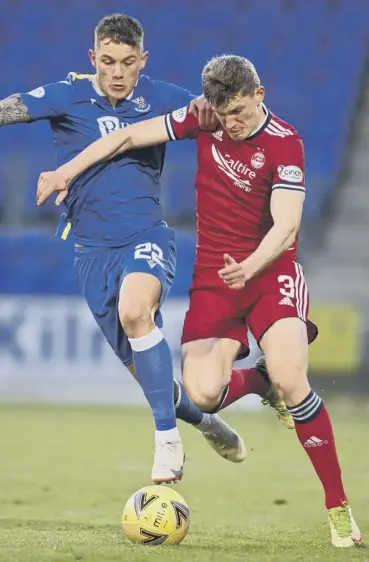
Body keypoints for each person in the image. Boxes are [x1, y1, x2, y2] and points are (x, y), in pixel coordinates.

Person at [37, 54, 362, 548]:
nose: (231, 123)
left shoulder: (284, 142)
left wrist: (251, 267)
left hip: (270, 273)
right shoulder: (202, 118)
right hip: (215, 278)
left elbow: (287, 225)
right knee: (204, 394)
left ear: (259, 95)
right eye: (222, 113)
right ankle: (258, 381)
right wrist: (67, 169)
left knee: (295, 376)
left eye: (239, 112)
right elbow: (125, 136)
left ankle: (338, 510)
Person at [0, 14, 256, 485]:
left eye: (129, 62)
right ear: (93, 58)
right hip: (91, 253)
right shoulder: (65, 94)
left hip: (146, 236)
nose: (118, 72)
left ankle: (166, 445)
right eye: (109, 62)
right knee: (153, 380)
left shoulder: (163, 98)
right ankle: (202, 422)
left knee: (136, 310)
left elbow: (229, 115)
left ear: (144, 60)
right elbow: (7, 110)